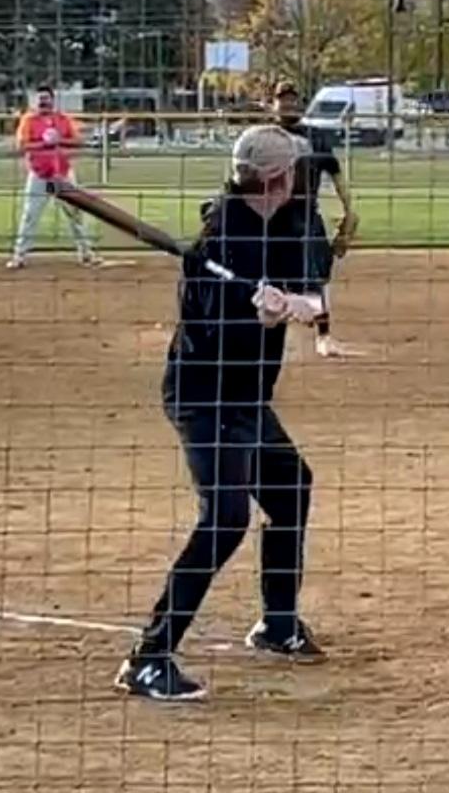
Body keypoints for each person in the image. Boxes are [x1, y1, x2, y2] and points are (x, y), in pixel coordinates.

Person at [115, 125, 326, 703]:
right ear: (277, 178)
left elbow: (308, 287)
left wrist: (299, 302)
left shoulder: (284, 223)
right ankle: (149, 658)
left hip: (245, 397)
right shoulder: (217, 241)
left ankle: (277, 625)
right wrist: (256, 315)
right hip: (204, 395)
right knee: (227, 517)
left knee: (290, 488)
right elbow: (210, 333)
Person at [270, 81, 361, 358]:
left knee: (317, 274)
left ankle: (324, 336)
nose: (288, 104)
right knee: (267, 275)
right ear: (272, 105)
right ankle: (266, 332)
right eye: (282, 99)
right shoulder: (264, 137)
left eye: (292, 99)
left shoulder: (315, 137)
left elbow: (336, 175)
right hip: (270, 216)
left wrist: (349, 211)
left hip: (305, 215)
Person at [7, 85, 100, 269]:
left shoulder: (63, 119)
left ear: (52, 100)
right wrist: (44, 143)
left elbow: (77, 141)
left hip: (63, 174)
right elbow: (22, 145)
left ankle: (86, 253)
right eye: (40, 99)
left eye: (46, 99)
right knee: (30, 215)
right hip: (40, 175)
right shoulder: (29, 120)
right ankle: (19, 256)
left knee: (75, 214)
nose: (43, 102)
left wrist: (59, 140)